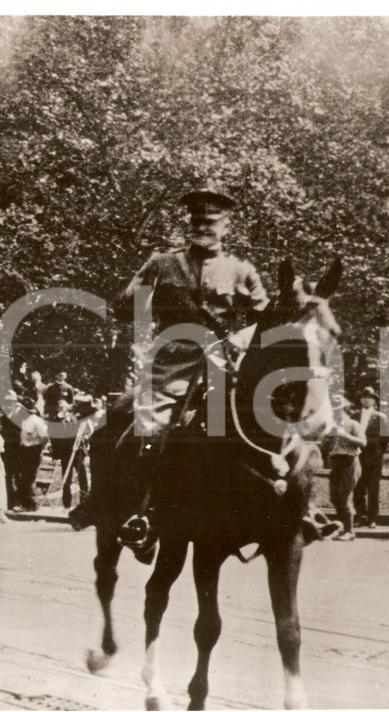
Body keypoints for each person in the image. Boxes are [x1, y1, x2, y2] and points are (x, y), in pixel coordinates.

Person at [108, 186, 270, 550]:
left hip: (223, 367)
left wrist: (239, 339)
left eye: (211, 221)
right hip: (170, 366)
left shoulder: (242, 271)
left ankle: (279, 513)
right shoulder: (162, 263)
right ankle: (143, 515)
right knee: (151, 430)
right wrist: (139, 286)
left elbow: (268, 321)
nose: (203, 227)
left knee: (264, 427)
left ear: (227, 227)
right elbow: (123, 308)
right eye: (197, 220)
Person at [322, 395, 366, 541]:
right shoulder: (331, 426)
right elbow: (326, 445)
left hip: (350, 461)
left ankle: (349, 531)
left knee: (344, 496)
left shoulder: (353, 424)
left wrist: (345, 435)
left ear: (345, 409)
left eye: (338, 409)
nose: (335, 412)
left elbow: (363, 442)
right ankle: (342, 527)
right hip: (336, 462)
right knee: (334, 497)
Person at [353, 386, 389, 528]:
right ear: (361, 399)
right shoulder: (354, 416)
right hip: (357, 456)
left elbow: (386, 439)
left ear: (374, 400)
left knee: (373, 488)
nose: (367, 399)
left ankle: (372, 517)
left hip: (374, 457)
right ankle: (360, 515)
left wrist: (378, 452)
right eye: (364, 397)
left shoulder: (381, 417)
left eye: (370, 397)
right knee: (358, 487)